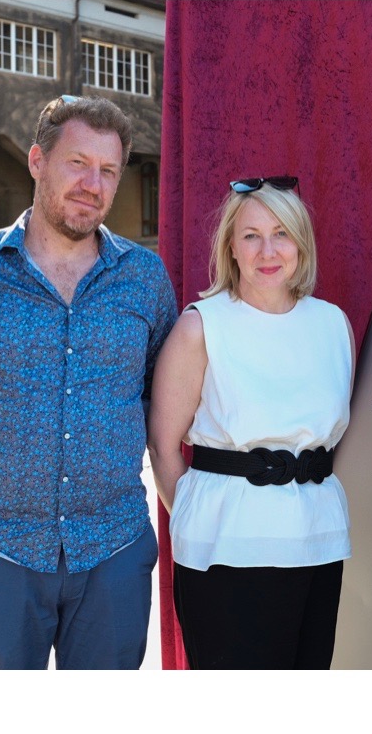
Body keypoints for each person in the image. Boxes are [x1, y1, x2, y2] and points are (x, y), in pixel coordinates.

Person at [0, 95, 178, 670]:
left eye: (107, 171)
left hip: (114, 551)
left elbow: (162, 402)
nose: (92, 184)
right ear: (36, 161)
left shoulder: (145, 279)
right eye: (77, 163)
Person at [147, 176, 355, 669]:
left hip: (317, 543)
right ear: (231, 248)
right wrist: (204, 515)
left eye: (282, 233)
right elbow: (162, 445)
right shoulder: (201, 326)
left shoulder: (332, 324)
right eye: (251, 235)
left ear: (301, 244)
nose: (268, 250)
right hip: (227, 549)